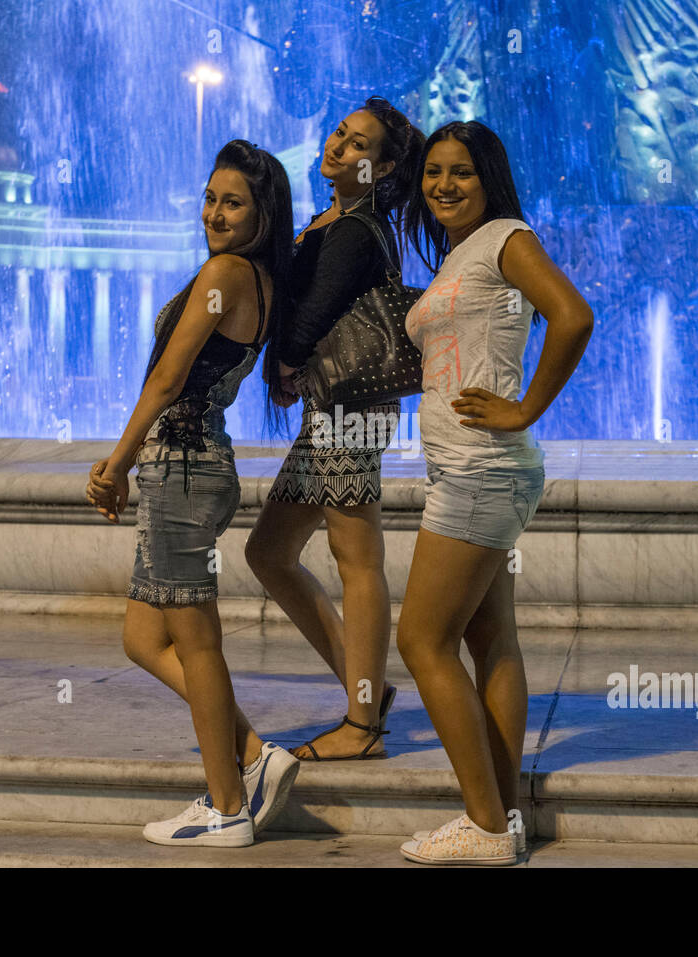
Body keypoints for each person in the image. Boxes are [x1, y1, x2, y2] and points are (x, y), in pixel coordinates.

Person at [86, 140, 297, 847]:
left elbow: (169, 378)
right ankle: (251, 752)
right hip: (193, 463)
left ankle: (227, 803)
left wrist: (116, 461)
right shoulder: (261, 278)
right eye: (209, 198)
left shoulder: (226, 273)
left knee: (197, 640)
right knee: (142, 638)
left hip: (181, 466)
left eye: (232, 202)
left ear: (261, 214)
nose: (214, 212)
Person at [396, 121, 594, 865]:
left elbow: (573, 316)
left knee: (420, 639)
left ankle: (482, 823)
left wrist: (525, 408)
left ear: (491, 179)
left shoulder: (508, 236)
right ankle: (501, 815)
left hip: (483, 466)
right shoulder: (460, 253)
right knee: (488, 639)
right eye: (434, 172)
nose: (444, 184)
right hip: (473, 467)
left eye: (462, 172)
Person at [244, 97, 424, 761]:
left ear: (381, 167)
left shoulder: (356, 228)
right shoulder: (336, 217)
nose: (338, 146)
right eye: (340, 134)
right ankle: (366, 689)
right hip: (332, 408)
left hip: (349, 410)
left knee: (357, 559)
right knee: (267, 551)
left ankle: (363, 725)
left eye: (357, 145)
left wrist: (287, 363)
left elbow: (314, 311)